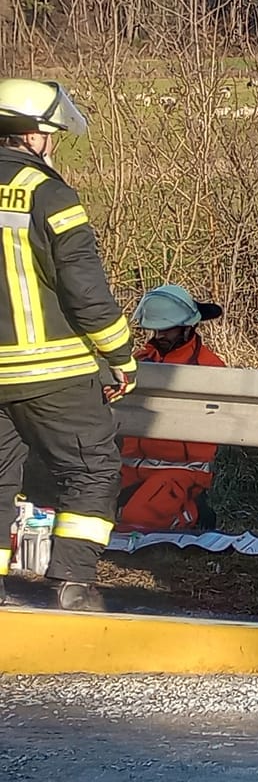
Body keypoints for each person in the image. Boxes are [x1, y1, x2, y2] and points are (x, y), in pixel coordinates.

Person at [0, 79, 136, 610]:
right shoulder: (50, 194)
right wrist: (121, 356)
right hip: (49, 372)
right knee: (91, 468)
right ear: (32, 135)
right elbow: (86, 292)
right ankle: (71, 585)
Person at [118, 284, 227, 532]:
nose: (159, 335)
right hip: (131, 470)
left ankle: (195, 512)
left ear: (188, 327)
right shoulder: (141, 360)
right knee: (82, 511)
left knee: (137, 521)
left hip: (181, 471)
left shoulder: (209, 368)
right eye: (155, 329)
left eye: (166, 329)